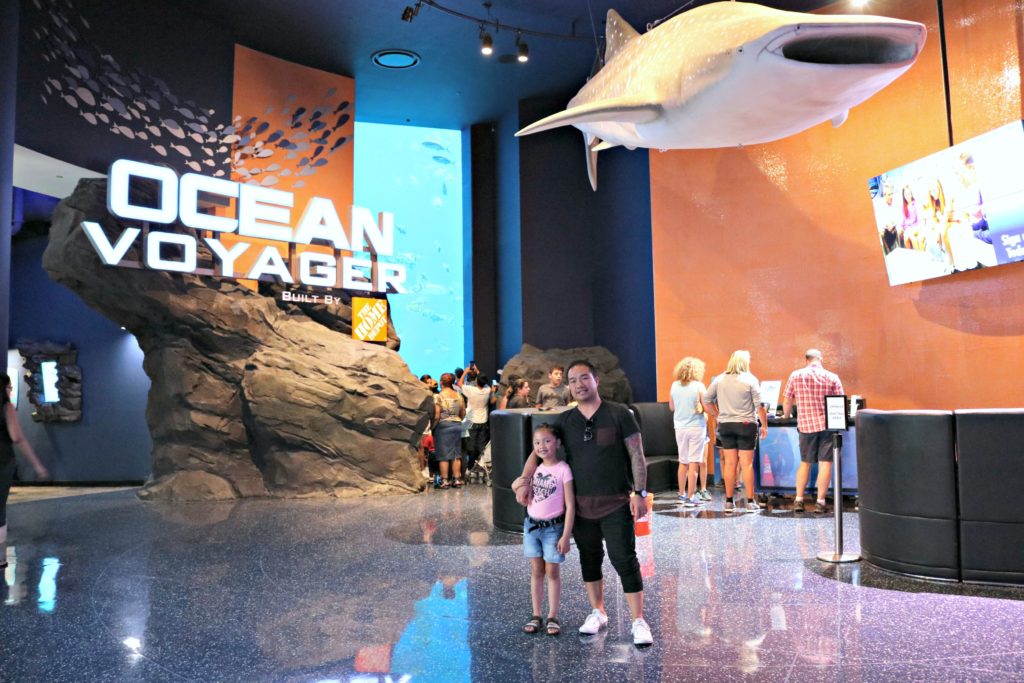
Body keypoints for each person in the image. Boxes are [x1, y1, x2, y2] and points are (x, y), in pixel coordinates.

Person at [513, 360, 653, 646]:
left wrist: (639, 492)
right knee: (590, 559)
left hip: (616, 502)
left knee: (624, 559)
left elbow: (637, 454)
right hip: (580, 507)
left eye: (584, 377)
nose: (579, 384)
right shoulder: (564, 420)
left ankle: (639, 620)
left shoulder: (620, 414)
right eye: (573, 380)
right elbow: (538, 450)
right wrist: (525, 481)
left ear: (596, 380)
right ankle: (597, 612)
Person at [520, 423, 575, 636]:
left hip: (554, 529)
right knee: (536, 571)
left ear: (558, 443)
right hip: (532, 527)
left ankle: (552, 615)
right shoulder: (534, 469)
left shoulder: (563, 469)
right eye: (537, 442)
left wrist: (566, 535)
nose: (541, 446)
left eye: (547, 441)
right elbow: (522, 486)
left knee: (552, 572)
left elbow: (570, 505)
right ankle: (536, 614)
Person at [781, 349, 844, 514]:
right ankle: (820, 502)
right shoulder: (832, 377)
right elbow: (839, 402)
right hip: (827, 426)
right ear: (821, 359)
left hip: (805, 426)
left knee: (805, 462)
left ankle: (799, 500)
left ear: (806, 360)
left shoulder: (796, 375)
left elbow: (787, 399)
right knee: (825, 463)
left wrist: (786, 417)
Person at [704, 350, 768, 514]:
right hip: (746, 424)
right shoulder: (750, 379)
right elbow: (760, 406)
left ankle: (728, 502)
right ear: (745, 362)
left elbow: (707, 400)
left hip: (726, 425)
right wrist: (764, 425)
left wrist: (717, 414)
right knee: (746, 464)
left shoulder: (719, 379)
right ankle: (750, 501)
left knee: (730, 463)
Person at [1, 374, 49, 568]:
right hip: (2, 462)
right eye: (10, 387)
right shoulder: (7, 407)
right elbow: (17, 437)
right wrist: (36, 464)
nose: (10, 391)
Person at [669, 357, 709, 508]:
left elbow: (672, 407)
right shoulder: (699, 386)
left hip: (679, 428)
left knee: (683, 462)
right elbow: (706, 407)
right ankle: (692, 497)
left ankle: (681, 495)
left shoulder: (674, 385)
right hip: (696, 427)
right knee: (694, 463)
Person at [432, 373, 466, 488]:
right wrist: (456, 421)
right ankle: (457, 479)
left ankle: (445, 480)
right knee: (456, 453)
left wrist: (433, 426)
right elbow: (463, 413)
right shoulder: (458, 395)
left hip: (443, 426)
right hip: (457, 425)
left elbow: (437, 415)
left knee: (443, 454)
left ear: (441, 382)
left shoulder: (438, 396)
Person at [461, 373, 495, 473]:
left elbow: (459, 383)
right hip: (483, 421)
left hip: (471, 421)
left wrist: (466, 371)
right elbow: (484, 381)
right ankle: (479, 466)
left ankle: (469, 467)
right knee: (481, 446)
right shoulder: (487, 390)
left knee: (470, 446)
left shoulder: (471, 390)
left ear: (476, 381)